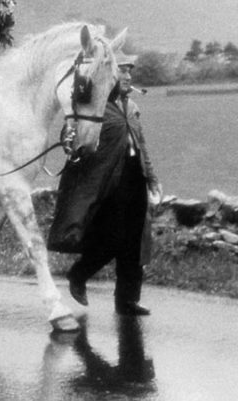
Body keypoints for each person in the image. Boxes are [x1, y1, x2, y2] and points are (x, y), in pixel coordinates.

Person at [48, 51, 163, 315]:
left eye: (130, 71)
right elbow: (70, 134)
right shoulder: (95, 108)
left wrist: (153, 178)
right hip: (109, 184)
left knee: (135, 242)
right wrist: (71, 136)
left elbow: (141, 145)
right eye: (122, 70)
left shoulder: (132, 108)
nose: (128, 76)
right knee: (111, 239)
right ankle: (79, 274)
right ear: (109, 76)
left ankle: (127, 300)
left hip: (135, 181)